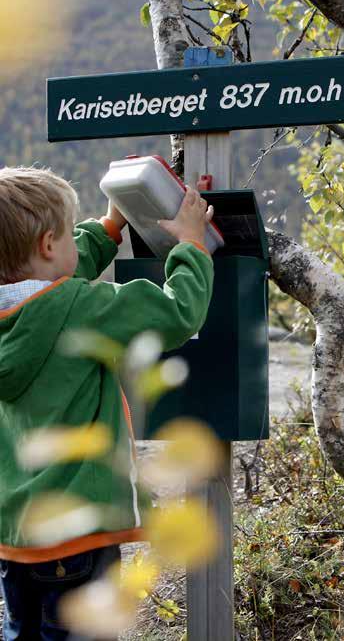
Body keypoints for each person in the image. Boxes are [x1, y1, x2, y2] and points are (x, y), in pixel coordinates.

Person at [0, 165, 214, 640]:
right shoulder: (79, 306)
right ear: (48, 246)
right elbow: (177, 311)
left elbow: (47, 275)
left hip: (14, 538)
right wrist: (191, 245)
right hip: (78, 532)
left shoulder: (20, 313)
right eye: (68, 237)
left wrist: (110, 227)